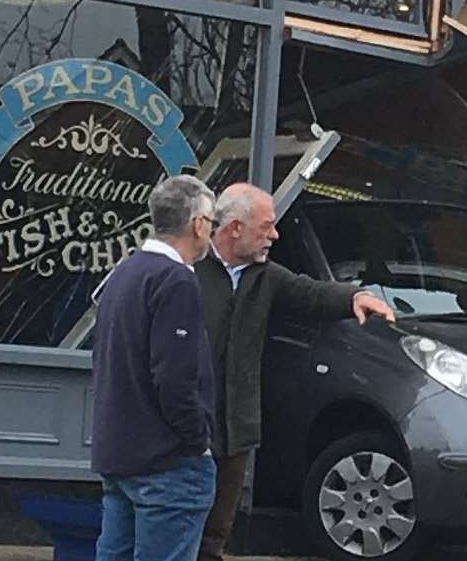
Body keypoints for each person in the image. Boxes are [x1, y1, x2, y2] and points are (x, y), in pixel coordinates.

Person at [195, 183, 396, 561]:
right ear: (234, 228)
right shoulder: (187, 270)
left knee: (216, 530)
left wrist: (354, 297)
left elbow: (310, 293)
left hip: (236, 427)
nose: (275, 235)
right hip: (189, 425)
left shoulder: (264, 275)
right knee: (177, 523)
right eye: (266, 226)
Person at [91, 175, 219, 561]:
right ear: (197, 224)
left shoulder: (123, 273)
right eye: (211, 224)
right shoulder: (176, 280)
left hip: (120, 451)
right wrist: (198, 441)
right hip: (167, 461)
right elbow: (174, 378)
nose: (210, 233)